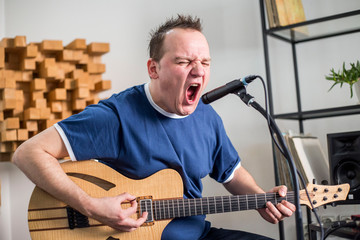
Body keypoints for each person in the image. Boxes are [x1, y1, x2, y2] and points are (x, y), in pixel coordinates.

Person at [13, 15, 295, 240]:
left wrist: (262, 198)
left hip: (197, 234)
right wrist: (92, 206)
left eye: (205, 62)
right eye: (184, 61)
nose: (198, 70)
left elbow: (232, 175)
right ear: (153, 69)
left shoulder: (207, 117)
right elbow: (27, 153)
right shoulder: (116, 116)